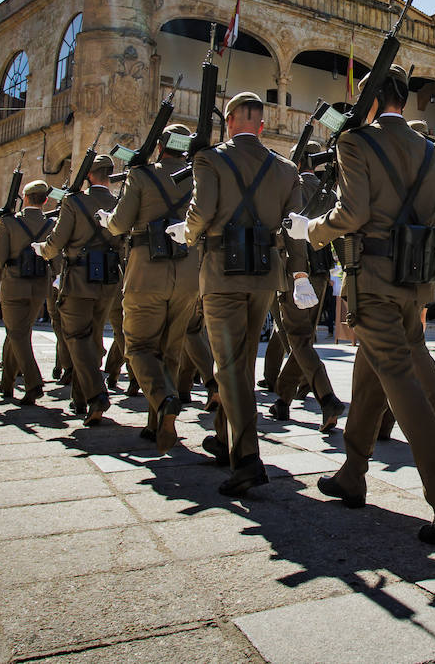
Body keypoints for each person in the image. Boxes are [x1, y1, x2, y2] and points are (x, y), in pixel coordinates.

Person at [285, 64, 435, 545]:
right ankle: (352, 472)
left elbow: (354, 212)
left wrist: (312, 232)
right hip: (414, 282)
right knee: (371, 375)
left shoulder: (354, 142)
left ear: (371, 99)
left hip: (376, 279)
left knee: (399, 381)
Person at [176, 92, 307, 496]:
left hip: (222, 272)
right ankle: (224, 437)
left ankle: (247, 458)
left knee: (229, 365)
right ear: (262, 126)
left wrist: (188, 232)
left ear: (229, 121)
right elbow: (295, 225)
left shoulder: (211, 159)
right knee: (242, 358)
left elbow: (202, 210)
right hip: (266, 274)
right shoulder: (286, 169)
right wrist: (300, 273)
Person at [102, 123, 199, 452]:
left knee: (139, 347)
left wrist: (106, 219)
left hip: (147, 272)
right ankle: (156, 422)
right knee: (170, 350)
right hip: (187, 273)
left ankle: (164, 399)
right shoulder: (197, 177)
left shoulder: (142, 176)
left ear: (160, 145)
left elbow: (119, 224)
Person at [35, 156, 122, 423]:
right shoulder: (118, 203)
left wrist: (43, 250)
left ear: (89, 175)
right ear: (109, 175)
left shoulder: (73, 202)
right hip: (109, 278)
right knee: (93, 337)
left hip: (80, 277)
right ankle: (80, 398)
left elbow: (57, 241)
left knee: (75, 336)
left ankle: (96, 394)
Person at [268, 152, 347, 432]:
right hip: (321, 272)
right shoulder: (327, 192)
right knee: (302, 338)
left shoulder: (293, 185)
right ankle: (283, 399)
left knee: (298, 338)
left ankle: (327, 398)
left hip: (295, 271)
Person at [0, 179, 54, 406]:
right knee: (18, 332)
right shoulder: (51, 223)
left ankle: (33, 383)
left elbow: (0, 255)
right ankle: (7, 383)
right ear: (45, 200)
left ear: (24, 198)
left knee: (17, 334)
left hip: (14, 283)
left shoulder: (9, 222)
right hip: (39, 285)